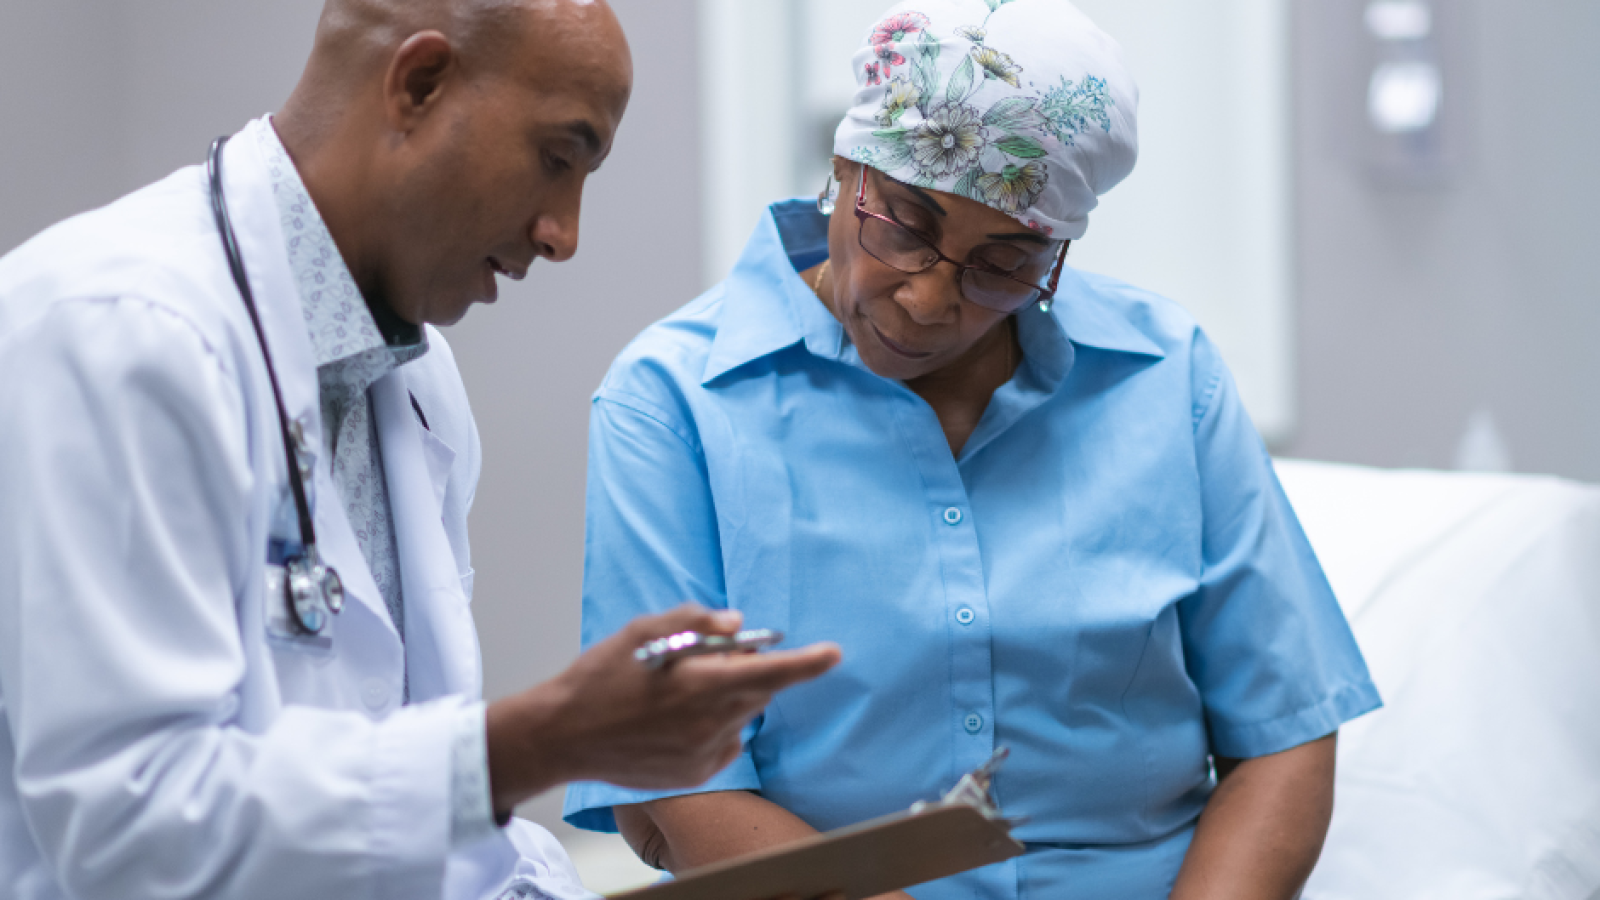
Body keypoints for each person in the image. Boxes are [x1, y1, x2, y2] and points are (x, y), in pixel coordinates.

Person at [0, 1, 841, 899]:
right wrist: (544, 738)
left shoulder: (416, 379)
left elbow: (416, 809)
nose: (564, 234)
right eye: (558, 159)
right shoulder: (116, 331)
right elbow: (130, 831)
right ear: (419, 83)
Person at [564, 0, 1383, 897]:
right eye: (905, 225)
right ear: (845, 167)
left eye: (1003, 264)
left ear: (1058, 253)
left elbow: (1287, 733)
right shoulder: (674, 402)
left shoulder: (1167, 376)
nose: (925, 300)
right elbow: (683, 788)